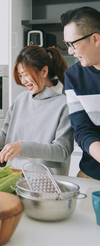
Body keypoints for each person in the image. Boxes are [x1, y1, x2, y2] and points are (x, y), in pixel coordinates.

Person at [0, 45, 74, 176]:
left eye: (26, 74)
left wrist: (22, 147)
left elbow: (62, 152)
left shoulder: (64, 104)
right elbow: (5, 136)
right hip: (15, 175)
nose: (23, 81)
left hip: (48, 181)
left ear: (44, 71)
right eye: (21, 75)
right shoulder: (20, 100)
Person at [60, 6, 100, 179]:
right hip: (91, 174)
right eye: (67, 45)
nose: (70, 51)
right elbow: (83, 129)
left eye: (72, 44)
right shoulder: (73, 76)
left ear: (95, 39)